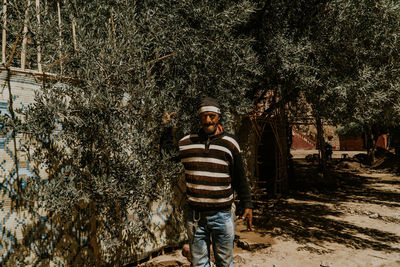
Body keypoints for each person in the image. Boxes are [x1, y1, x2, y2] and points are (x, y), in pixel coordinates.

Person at [178, 97, 253, 267]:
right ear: (199, 118)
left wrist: (247, 204)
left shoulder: (230, 143)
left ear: (218, 117)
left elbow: (240, 178)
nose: (207, 120)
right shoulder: (186, 144)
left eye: (211, 116)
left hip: (222, 215)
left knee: (225, 263)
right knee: (198, 263)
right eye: (204, 116)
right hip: (195, 217)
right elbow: (165, 154)